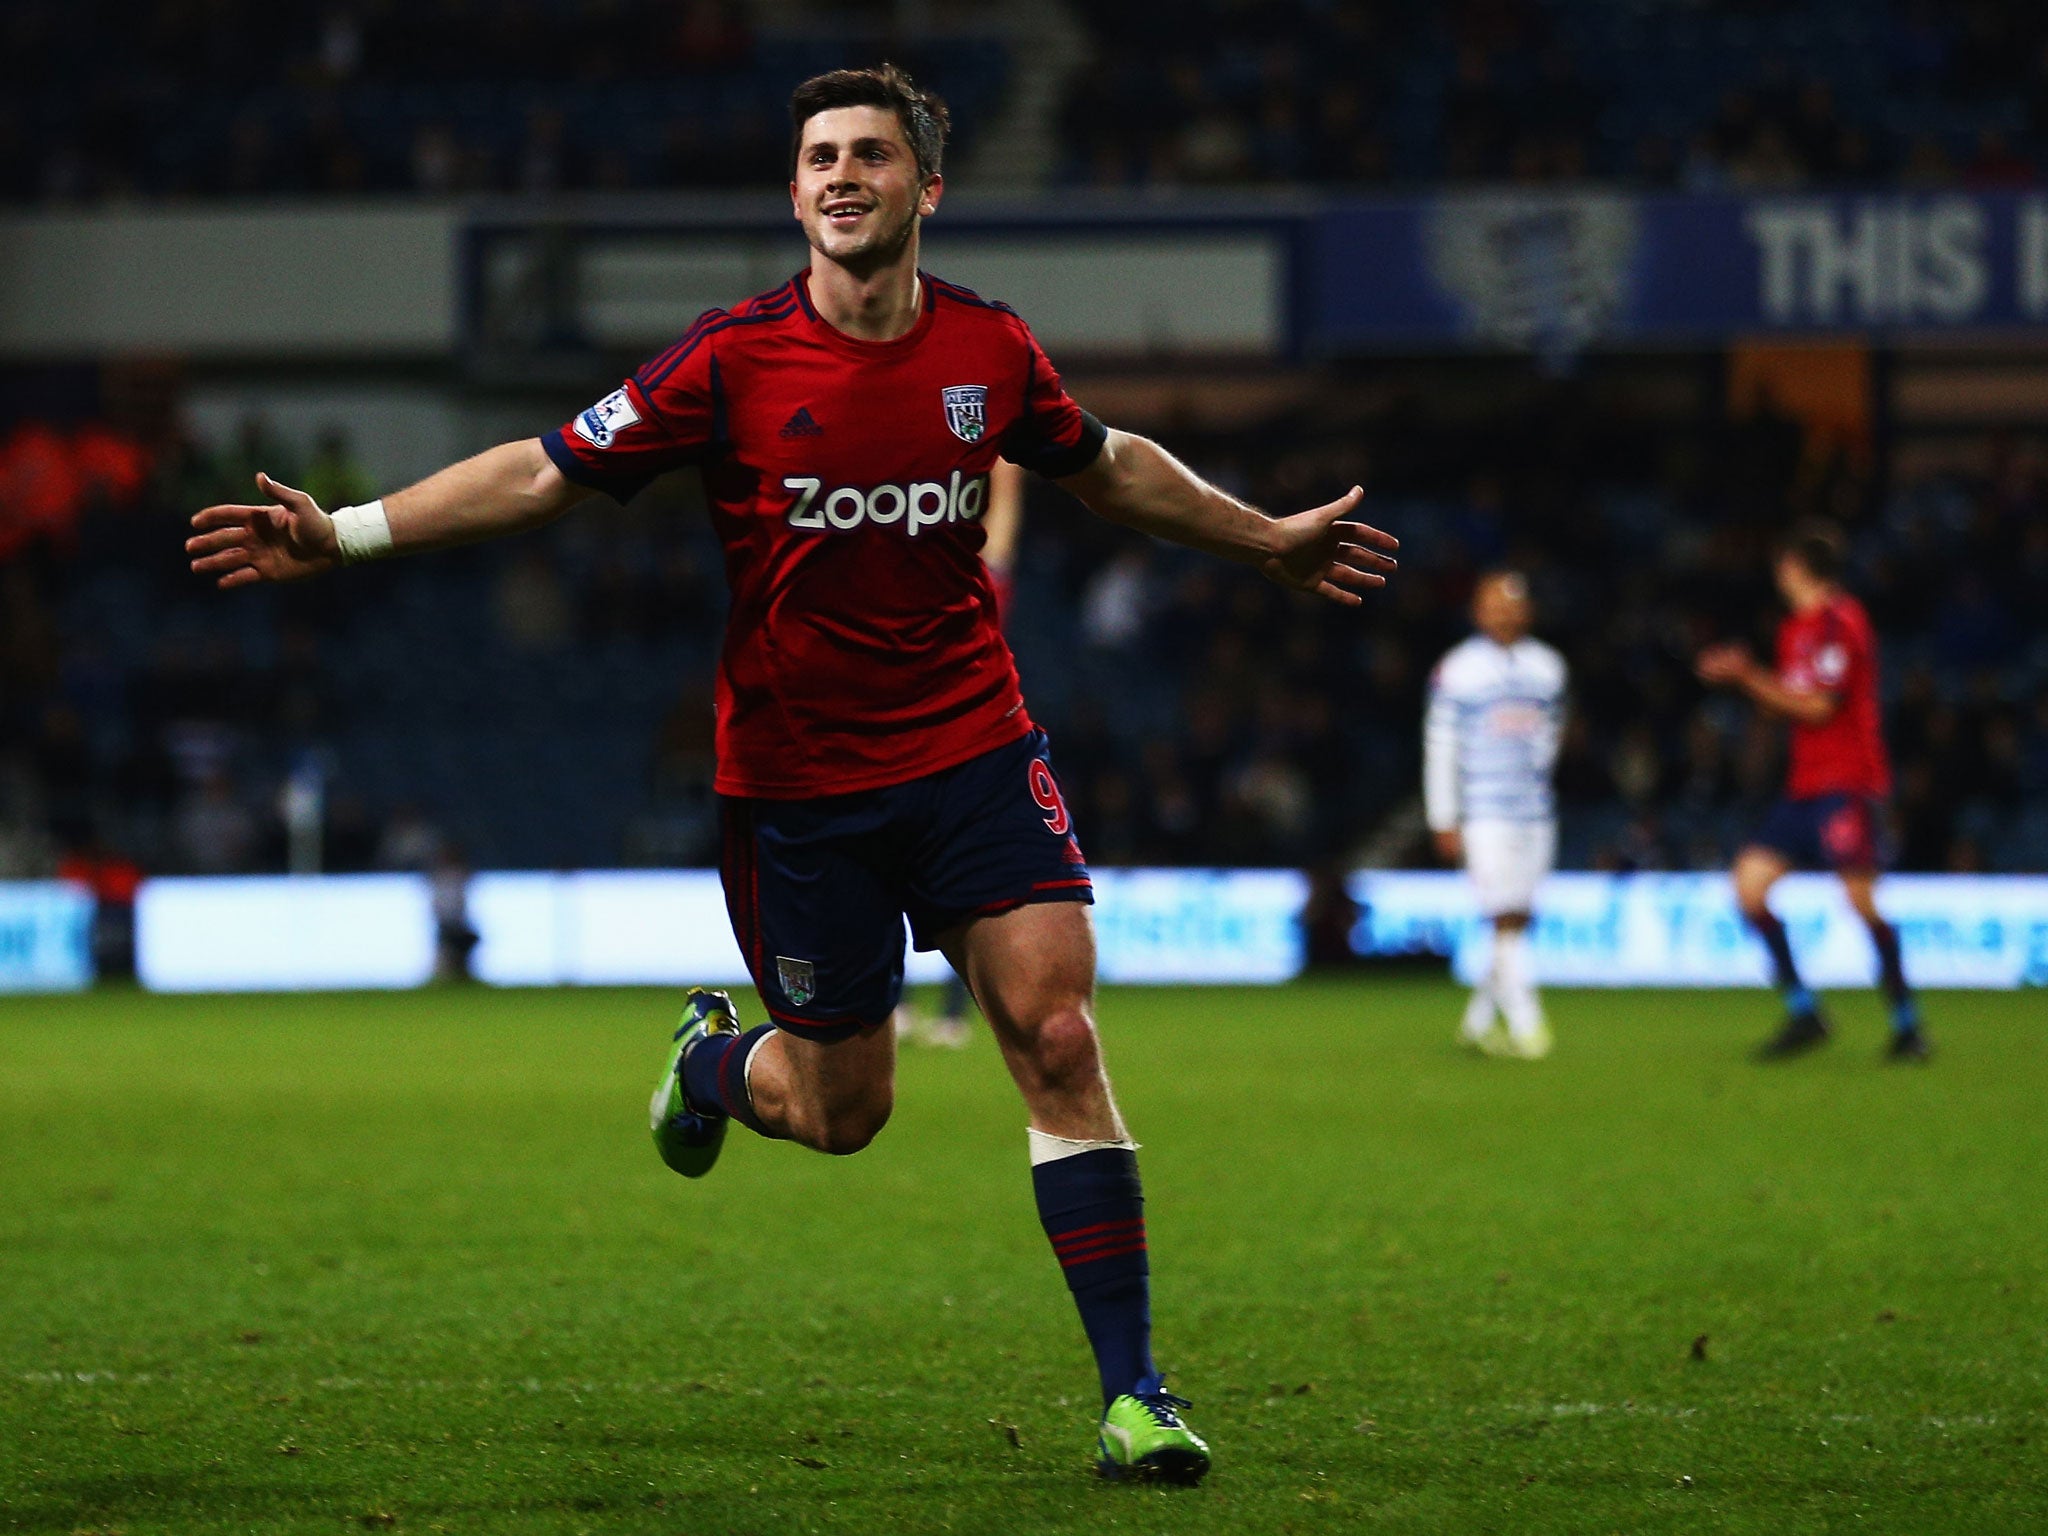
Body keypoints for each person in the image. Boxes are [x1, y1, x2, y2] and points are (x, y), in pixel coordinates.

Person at [185, 64, 1399, 1485]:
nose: (841, 176)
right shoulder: (728, 362)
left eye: (871, 156)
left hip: (973, 753)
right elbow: (539, 470)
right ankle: (708, 1066)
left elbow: (1106, 463)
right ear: (794, 188)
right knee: (844, 1113)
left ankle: (1137, 1395)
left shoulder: (990, 350)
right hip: (800, 790)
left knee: (1058, 1036)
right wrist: (351, 532)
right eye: (820, 155)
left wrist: (1266, 540)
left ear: (925, 188)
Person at [1697, 521, 1929, 1062]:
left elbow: (1821, 708)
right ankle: (1805, 1012)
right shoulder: (1794, 629)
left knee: (1859, 899)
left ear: (1799, 569)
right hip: (1804, 785)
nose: (1778, 574)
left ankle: (1907, 1022)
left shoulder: (1841, 621)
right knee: (1749, 887)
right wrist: (1751, 682)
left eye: (1783, 565)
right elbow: (1787, 702)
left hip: (1846, 782)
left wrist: (1746, 676)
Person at [1423, 571, 1567, 1059]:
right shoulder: (1458, 669)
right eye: (1496, 604)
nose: (1507, 612)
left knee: (1517, 921)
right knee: (1502, 914)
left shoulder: (1549, 667)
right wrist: (1445, 816)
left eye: (1515, 604)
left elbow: (1551, 738)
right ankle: (1529, 1028)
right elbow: (1441, 747)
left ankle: (1476, 1025)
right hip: (1484, 812)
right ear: (1478, 611)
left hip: (1535, 810)